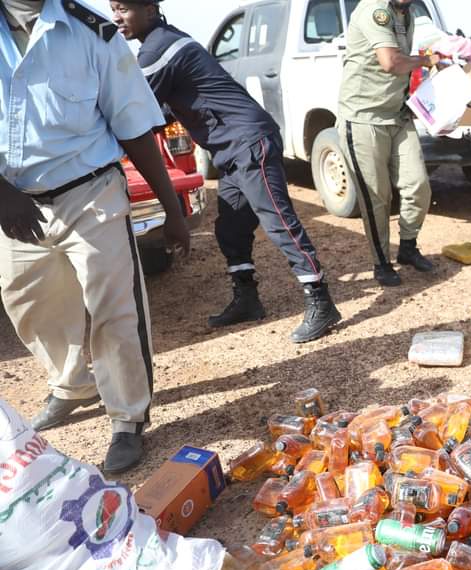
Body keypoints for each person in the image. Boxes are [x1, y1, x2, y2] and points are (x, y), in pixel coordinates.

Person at [0, 0, 191, 473]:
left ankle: (127, 418)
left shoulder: (92, 33)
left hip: (90, 192)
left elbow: (133, 126)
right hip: (14, 202)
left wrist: (172, 209)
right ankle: (73, 385)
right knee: (26, 301)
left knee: (115, 310)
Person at [110, 0, 341, 343]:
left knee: (279, 221)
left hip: (249, 142)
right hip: (231, 148)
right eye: (112, 9)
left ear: (150, 9)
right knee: (230, 227)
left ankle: (321, 300)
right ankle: (247, 298)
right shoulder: (163, 41)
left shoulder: (158, 49)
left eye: (123, 9)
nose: (116, 17)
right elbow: (165, 109)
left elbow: (133, 111)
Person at [339, 0, 439, 288]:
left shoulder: (406, 13)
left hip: (398, 114)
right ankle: (381, 262)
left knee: (418, 185)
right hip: (363, 117)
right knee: (376, 197)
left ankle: (407, 246)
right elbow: (391, 62)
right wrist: (426, 60)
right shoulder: (375, 9)